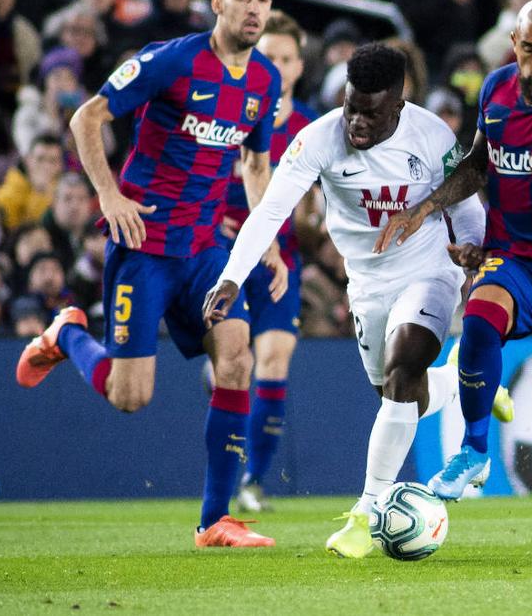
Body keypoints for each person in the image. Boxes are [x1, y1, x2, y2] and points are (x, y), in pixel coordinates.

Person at [13, 0, 286, 549]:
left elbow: (257, 162)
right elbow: (87, 118)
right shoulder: (173, 60)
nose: (253, 8)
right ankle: (66, 336)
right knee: (130, 397)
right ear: (218, 3)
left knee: (237, 355)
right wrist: (108, 195)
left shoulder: (265, 81)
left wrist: (266, 242)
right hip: (143, 245)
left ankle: (215, 520)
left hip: (205, 250)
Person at [206, 42, 502, 558]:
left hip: (428, 268)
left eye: (371, 114)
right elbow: (272, 208)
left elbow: (466, 197)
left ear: (399, 107)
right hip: (365, 284)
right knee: (402, 395)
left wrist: (473, 258)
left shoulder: (430, 135)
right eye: (351, 108)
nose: (357, 124)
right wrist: (232, 276)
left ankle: (366, 515)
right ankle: (464, 381)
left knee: (402, 370)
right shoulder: (317, 139)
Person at [378, 0, 532, 555]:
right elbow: (477, 165)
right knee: (482, 317)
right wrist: (424, 208)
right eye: (530, 49)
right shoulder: (494, 90)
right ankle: (474, 450)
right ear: (514, 44)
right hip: (513, 254)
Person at [220, 11, 319, 514]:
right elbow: (205, 178)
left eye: (286, 59)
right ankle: (227, 474)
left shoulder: (310, 129)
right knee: (235, 365)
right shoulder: (231, 115)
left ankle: (254, 481)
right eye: (269, 58)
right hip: (227, 258)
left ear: (299, 66)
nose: (277, 67)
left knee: (275, 357)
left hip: (283, 262)